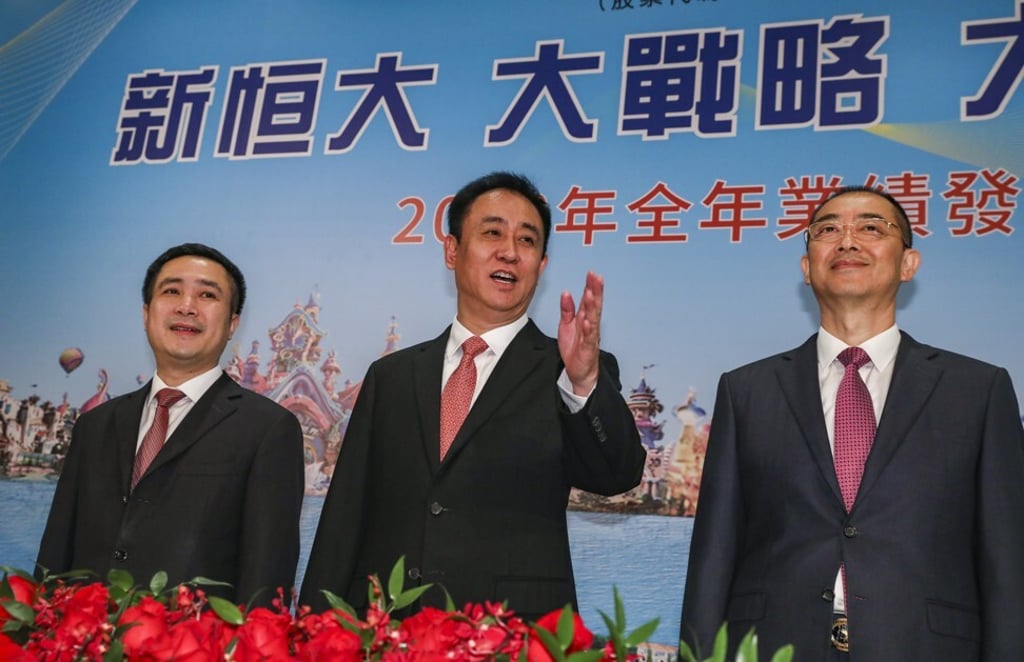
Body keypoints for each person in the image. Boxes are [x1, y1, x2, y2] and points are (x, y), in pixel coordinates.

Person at [679, 186, 1024, 661]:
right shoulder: (746, 391)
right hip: (772, 646)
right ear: (806, 267)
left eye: (871, 228)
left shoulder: (978, 391)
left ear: (909, 264)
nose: (847, 240)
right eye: (827, 230)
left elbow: (1008, 565)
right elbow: (712, 560)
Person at [300, 171, 645, 618]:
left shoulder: (568, 370)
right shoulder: (391, 376)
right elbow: (344, 519)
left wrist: (581, 382)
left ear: (541, 265)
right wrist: (315, 626)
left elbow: (616, 474)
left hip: (512, 632)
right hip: (387, 630)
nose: (509, 252)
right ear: (452, 250)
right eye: (492, 233)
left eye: (527, 241)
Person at [36, 243, 305, 606]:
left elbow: (265, 578)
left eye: (207, 294)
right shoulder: (95, 425)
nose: (186, 306)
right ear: (146, 313)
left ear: (232, 325)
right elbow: (54, 557)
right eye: (172, 291)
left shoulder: (268, 430)